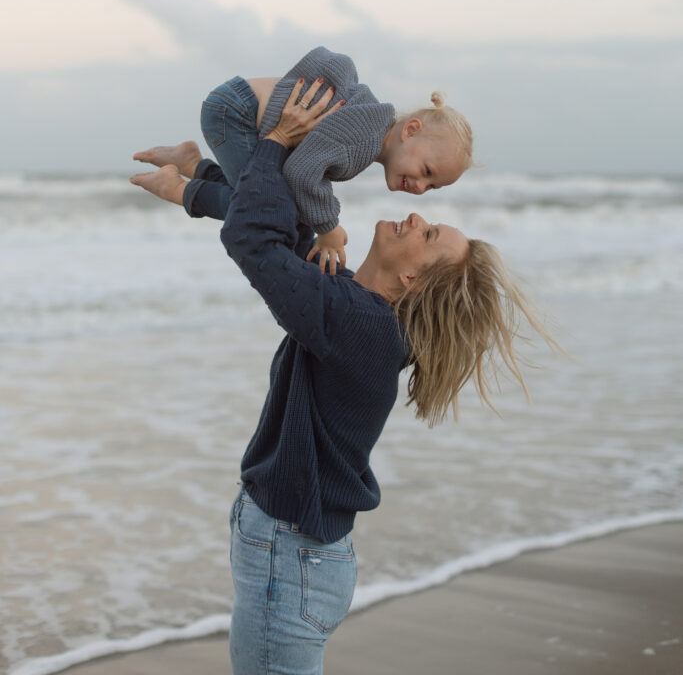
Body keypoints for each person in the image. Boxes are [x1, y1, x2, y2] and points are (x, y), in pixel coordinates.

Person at [131, 81, 554, 675]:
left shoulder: (359, 325)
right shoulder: (356, 308)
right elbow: (281, 232)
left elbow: (255, 239)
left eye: (429, 234)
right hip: (297, 555)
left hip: (292, 556)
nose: (416, 212)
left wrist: (277, 142)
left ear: (414, 282)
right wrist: (195, 178)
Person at [130, 46, 473, 273]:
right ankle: (176, 187)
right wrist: (329, 229)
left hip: (234, 105)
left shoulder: (369, 127)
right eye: (426, 171)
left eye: (431, 187)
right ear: (410, 130)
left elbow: (307, 176)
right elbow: (302, 172)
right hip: (235, 114)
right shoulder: (364, 138)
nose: (420, 186)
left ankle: (193, 164)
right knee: (257, 209)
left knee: (277, 206)